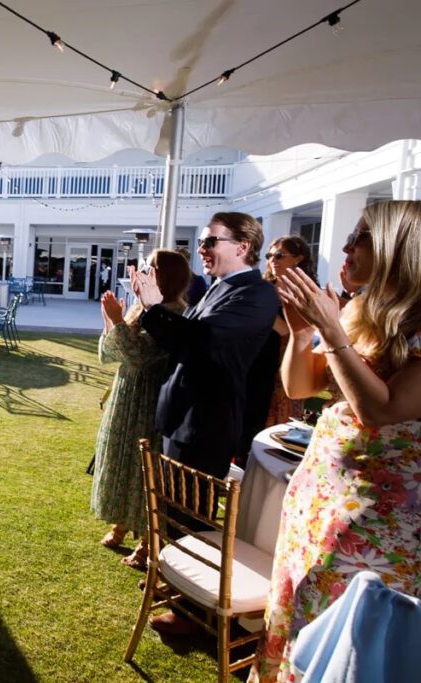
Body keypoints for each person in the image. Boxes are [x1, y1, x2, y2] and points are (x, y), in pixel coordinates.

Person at [249, 201, 421, 682]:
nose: (345, 246)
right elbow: (301, 386)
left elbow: (382, 410)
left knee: (338, 646)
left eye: (360, 237)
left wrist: (330, 327)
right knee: (298, 620)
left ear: (397, 248)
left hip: (375, 528)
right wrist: (302, 335)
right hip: (318, 507)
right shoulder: (365, 312)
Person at [131, 212, 278, 636]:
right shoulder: (219, 288)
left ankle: (190, 614)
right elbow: (183, 339)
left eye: (211, 241)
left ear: (243, 246)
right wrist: (152, 308)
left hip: (208, 422)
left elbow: (202, 343)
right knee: (176, 511)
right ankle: (177, 582)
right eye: (201, 240)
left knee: (192, 518)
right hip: (183, 415)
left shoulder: (258, 295)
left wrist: (155, 306)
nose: (202, 249)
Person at [92, 250, 190, 570]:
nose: (144, 271)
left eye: (152, 267)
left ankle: (149, 541)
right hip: (125, 395)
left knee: (141, 472)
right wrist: (112, 319)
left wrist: (120, 321)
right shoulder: (140, 308)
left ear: (169, 277)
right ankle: (121, 523)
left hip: (147, 402)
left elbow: (140, 355)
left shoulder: (174, 312)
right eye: (145, 265)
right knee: (121, 461)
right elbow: (110, 353)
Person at [261, 235, 317, 426]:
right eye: (269, 255)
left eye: (279, 255)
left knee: (280, 423)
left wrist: (266, 315)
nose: (272, 260)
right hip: (259, 360)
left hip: (288, 363)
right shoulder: (263, 288)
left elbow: (303, 332)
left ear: (298, 258)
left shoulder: (307, 292)